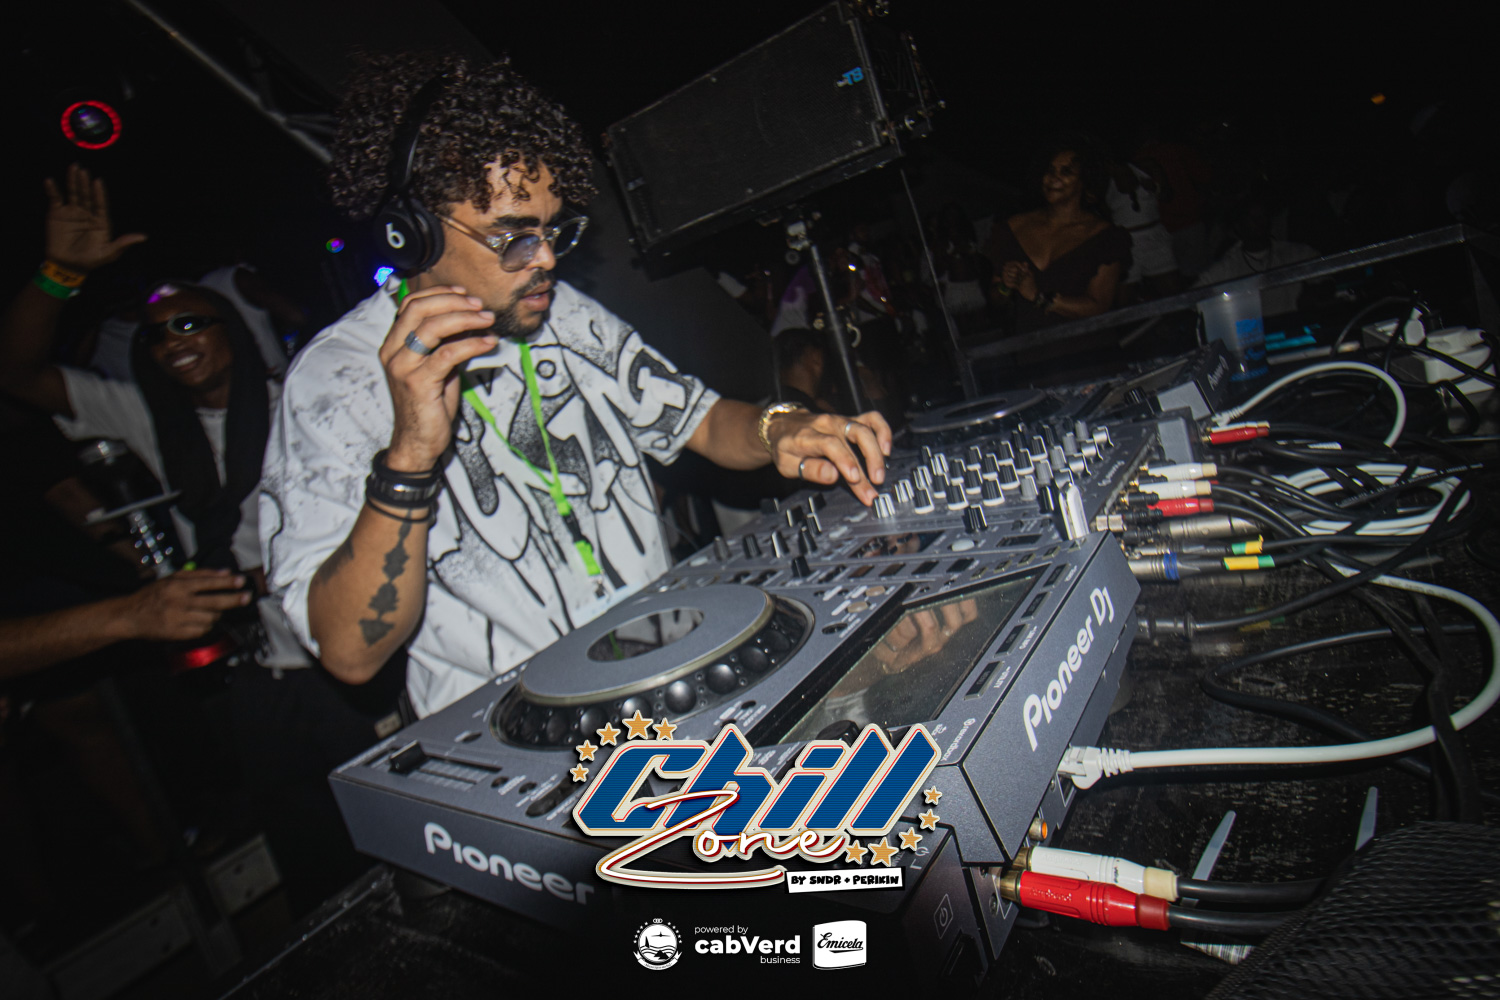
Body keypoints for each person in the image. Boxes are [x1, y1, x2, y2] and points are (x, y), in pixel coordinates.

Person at [261, 53, 892, 718]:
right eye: (512, 237)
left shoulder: (563, 314)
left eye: (553, 229)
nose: (546, 259)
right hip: (520, 730)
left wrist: (779, 426)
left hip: (667, 683)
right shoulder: (332, 383)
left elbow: (703, 423)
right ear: (412, 234)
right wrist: (411, 457)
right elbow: (351, 653)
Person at [984, 136, 1132, 334]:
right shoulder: (1014, 227)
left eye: (1066, 172)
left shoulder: (1104, 236)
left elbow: (1099, 306)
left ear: (1085, 181)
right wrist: (1006, 284)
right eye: (1050, 171)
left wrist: (1037, 296)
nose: (1053, 178)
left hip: (1088, 348)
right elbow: (996, 299)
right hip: (1031, 346)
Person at [1194, 191, 1319, 317]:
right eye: (1252, 218)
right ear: (1239, 225)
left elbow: (1325, 279)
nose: (1260, 222)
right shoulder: (1227, 266)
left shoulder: (1296, 253)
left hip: (1293, 325)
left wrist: (1313, 293)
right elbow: (1194, 297)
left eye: (1263, 216)